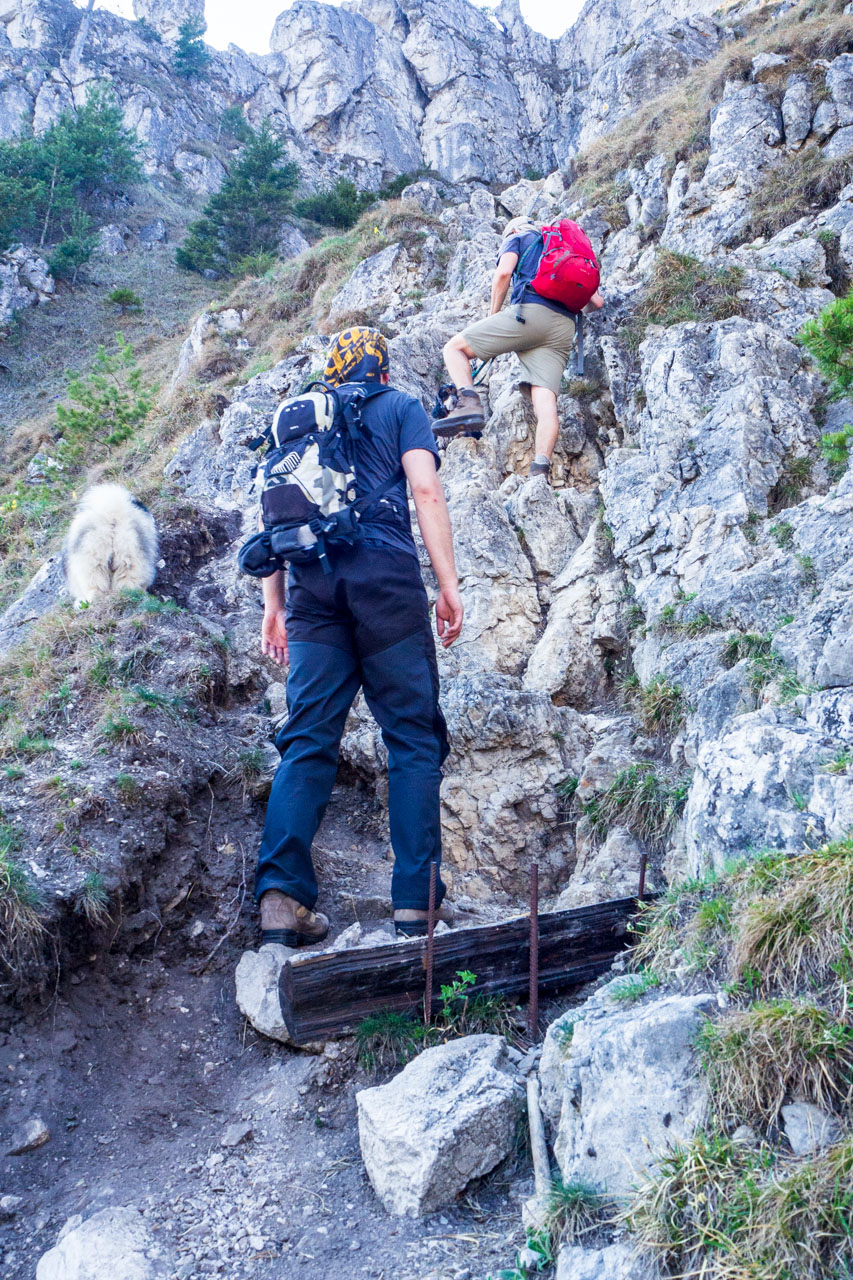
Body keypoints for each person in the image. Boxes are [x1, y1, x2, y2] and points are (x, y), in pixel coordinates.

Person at [254, 326, 464, 947]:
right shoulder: (400, 408)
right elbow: (424, 490)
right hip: (384, 582)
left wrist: (275, 606)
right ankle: (415, 908)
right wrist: (448, 584)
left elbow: (275, 513)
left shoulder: (298, 426)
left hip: (311, 589)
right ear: (385, 371)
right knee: (412, 739)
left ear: (331, 372)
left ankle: (280, 901)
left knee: (308, 740)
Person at [440, 216, 604, 478]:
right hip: (563, 329)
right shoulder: (560, 248)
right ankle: (540, 468)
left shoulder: (517, 237)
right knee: (544, 401)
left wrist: (492, 315)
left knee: (454, 349)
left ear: (514, 229)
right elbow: (596, 302)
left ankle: (468, 403)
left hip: (529, 313)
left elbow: (503, 274)